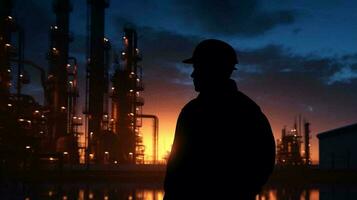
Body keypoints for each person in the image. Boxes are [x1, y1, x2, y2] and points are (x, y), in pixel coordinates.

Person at [163, 39, 276, 200]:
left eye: (197, 68)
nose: (192, 74)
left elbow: (177, 166)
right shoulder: (248, 110)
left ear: (211, 69)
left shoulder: (193, 112)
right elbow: (265, 161)